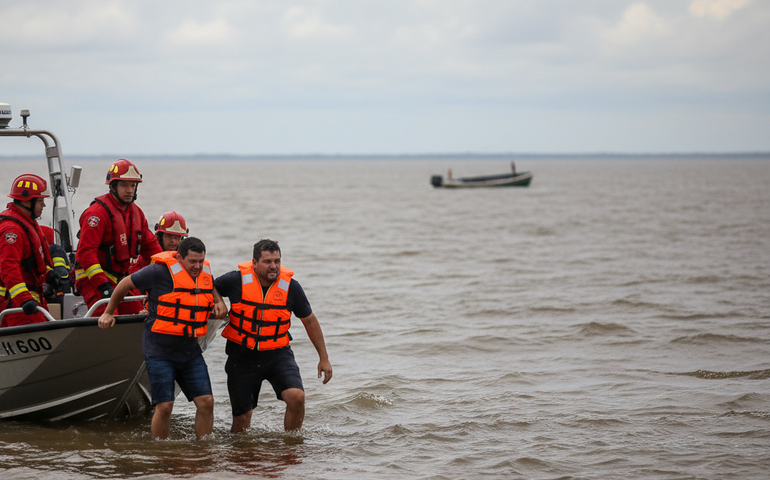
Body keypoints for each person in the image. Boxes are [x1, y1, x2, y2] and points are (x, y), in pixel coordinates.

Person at [97, 236, 228, 440]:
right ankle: (161, 451)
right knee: (165, 406)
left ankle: (204, 450)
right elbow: (124, 284)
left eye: (201, 261)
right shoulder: (158, 272)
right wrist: (108, 312)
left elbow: (210, 288)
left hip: (189, 351)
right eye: (192, 261)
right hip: (160, 351)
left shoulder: (204, 273)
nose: (198, 266)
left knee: (206, 402)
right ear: (179, 257)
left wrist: (219, 301)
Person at [214, 239, 332, 432]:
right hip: (242, 355)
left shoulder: (291, 287)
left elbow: (310, 320)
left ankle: (291, 447)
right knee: (242, 420)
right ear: (254, 263)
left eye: (277, 261)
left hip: (278, 354)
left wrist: (324, 358)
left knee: (297, 397)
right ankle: (240, 458)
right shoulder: (236, 280)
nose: (273, 266)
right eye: (268, 261)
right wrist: (219, 302)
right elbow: (209, 285)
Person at [75, 159, 162, 316]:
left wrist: (170, 273)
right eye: (124, 185)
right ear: (112, 186)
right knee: (107, 317)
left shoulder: (136, 213)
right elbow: (86, 253)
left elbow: (152, 247)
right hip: (93, 278)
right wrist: (102, 285)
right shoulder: (96, 214)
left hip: (120, 278)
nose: (129, 190)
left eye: (133, 185)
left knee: (141, 314)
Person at [0, 174, 56, 327]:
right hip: (17, 303)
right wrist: (24, 299)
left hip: (29, 299)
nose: (43, 205)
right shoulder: (12, 231)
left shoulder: (26, 223)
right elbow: (9, 268)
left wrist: (49, 273)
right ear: (26, 201)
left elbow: (34, 259)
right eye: (40, 201)